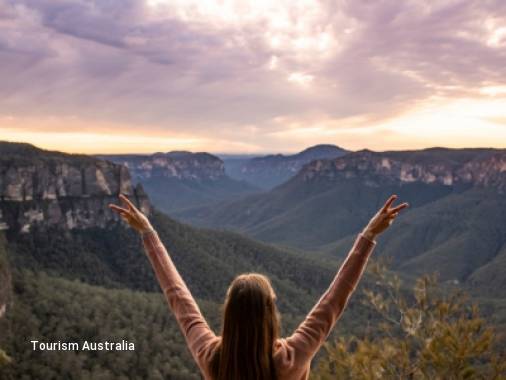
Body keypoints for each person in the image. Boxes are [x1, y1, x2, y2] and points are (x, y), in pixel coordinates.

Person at [109, 194, 408, 380]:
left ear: (229, 313)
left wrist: (149, 234)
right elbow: (334, 299)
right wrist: (368, 236)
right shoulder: (290, 358)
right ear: (269, 313)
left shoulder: (212, 358)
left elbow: (179, 298)